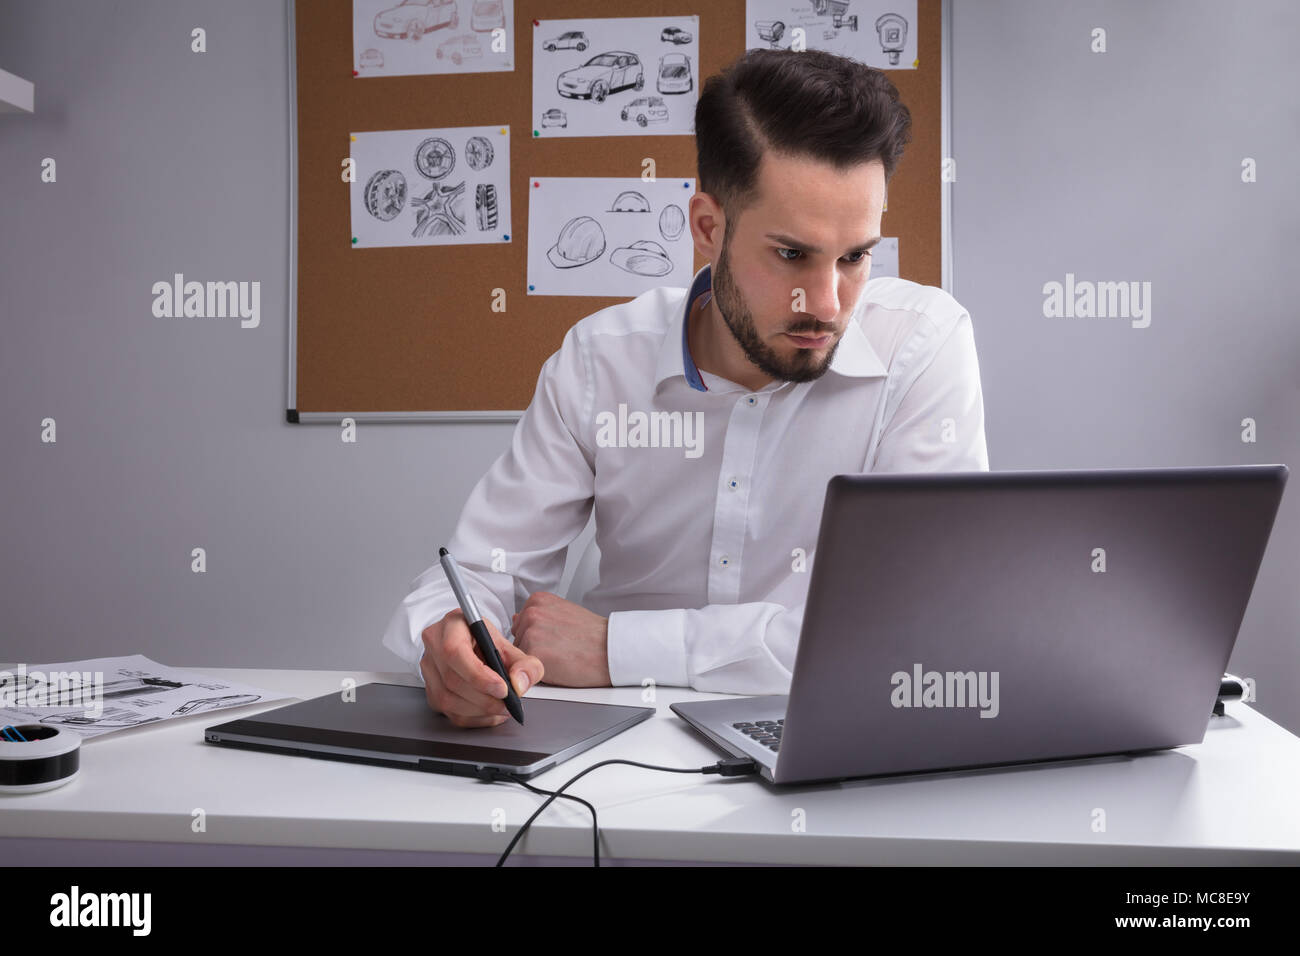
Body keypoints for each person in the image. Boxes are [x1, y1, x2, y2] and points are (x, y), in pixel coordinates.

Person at [382, 48, 989, 727]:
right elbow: (482, 571)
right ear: (707, 227)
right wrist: (449, 641)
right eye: (791, 254)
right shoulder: (600, 361)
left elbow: (919, 626)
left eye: (854, 257)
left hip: (834, 735)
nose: (825, 302)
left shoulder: (923, 346)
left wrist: (619, 648)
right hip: (612, 753)